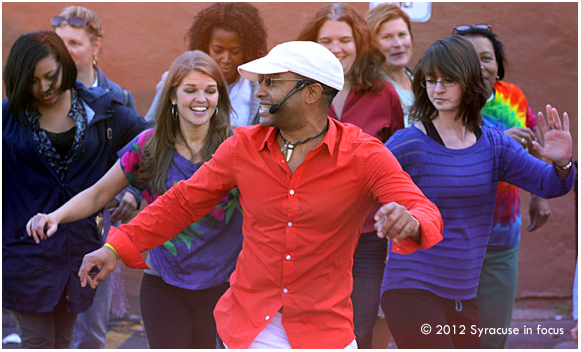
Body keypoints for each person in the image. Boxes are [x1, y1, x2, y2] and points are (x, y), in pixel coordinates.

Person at [73, 41, 444, 349]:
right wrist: (116, 247)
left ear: (312, 92)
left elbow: (422, 208)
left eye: (272, 82)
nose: (260, 91)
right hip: (249, 327)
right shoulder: (243, 147)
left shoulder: (364, 155)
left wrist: (410, 221)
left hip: (324, 330)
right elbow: (182, 202)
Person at [27, 50, 243, 349]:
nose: (201, 99)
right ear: (172, 96)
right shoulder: (149, 146)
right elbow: (100, 192)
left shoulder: (237, 148)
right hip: (164, 283)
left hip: (224, 284)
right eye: (190, 90)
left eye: (210, 90)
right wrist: (56, 216)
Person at [381, 35, 574, 348]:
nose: (437, 90)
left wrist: (563, 163)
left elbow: (550, 185)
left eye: (448, 80)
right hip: (410, 286)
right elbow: (361, 186)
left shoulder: (495, 146)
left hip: (463, 293)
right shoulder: (409, 143)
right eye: (431, 80)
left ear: (470, 82)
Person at [2, 30, 146, 349]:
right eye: (33, 80)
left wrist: (132, 192)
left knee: (63, 340)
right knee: (38, 342)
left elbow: (147, 146)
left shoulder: (104, 110)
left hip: (79, 254)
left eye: (50, 76)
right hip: (25, 254)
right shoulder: (7, 119)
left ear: (64, 65)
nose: (43, 88)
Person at [296, 3, 404, 348]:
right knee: (311, 324)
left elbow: (397, 161)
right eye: (325, 40)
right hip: (311, 233)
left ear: (359, 42)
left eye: (344, 39)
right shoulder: (298, 94)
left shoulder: (384, 93)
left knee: (359, 324)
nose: (336, 48)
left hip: (367, 235)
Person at [453, 24, 552, 349]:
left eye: (487, 58)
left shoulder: (513, 96)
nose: (480, 66)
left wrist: (540, 194)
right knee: (453, 335)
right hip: (454, 238)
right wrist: (498, 143)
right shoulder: (445, 103)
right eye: (470, 58)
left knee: (493, 334)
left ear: (498, 63)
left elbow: (536, 142)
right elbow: (446, 161)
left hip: (502, 236)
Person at [51, 6, 143, 348]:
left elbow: (137, 155)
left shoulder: (118, 97)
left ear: (96, 47)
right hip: (54, 216)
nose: (65, 50)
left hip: (97, 223)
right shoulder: (46, 93)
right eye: (59, 42)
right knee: (52, 318)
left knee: (90, 322)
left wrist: (131, 194)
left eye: (74, 42)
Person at [145, 2, 267, 128]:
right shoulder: (176, 79)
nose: (226, 59)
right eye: (217, 50)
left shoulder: (258, 86)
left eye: (235, 51)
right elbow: (150, 127)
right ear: (205, 46)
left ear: (247, 49)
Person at [365, 4, 414, 127]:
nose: (398, 44)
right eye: (387, 37)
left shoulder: (422, 82)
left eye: (402, 35)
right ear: (372, 44)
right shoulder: (370, 91)